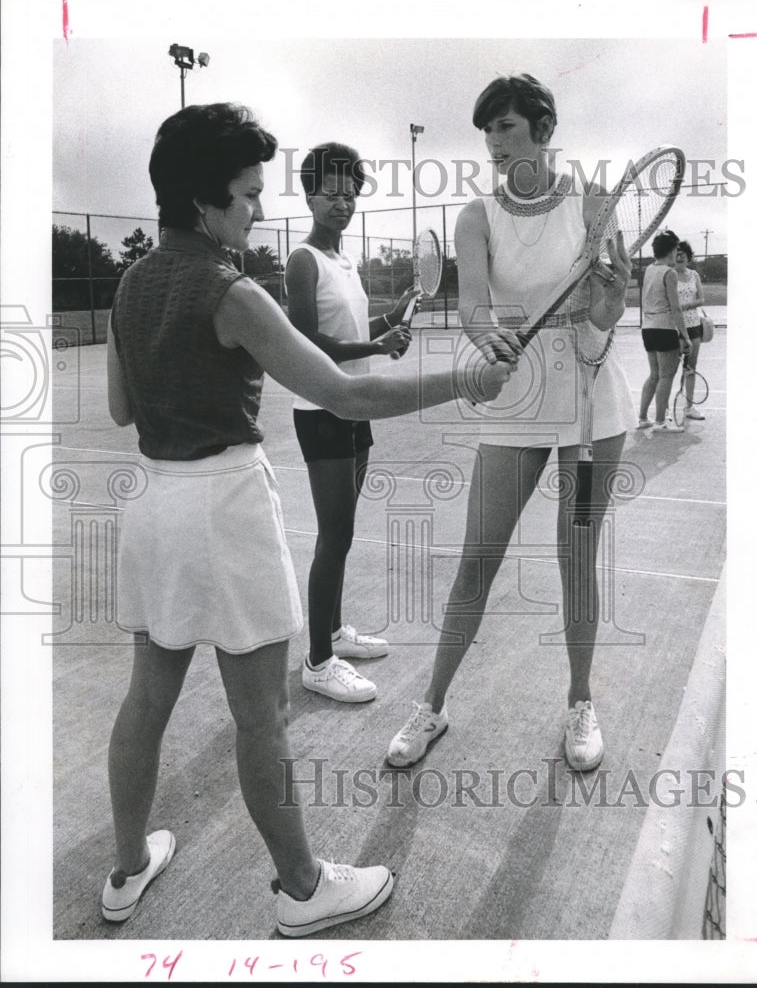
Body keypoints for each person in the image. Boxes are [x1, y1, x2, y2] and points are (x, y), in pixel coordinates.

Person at [102, 103, 515, 936]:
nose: (257, 209)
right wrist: (461, 382)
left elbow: (118, 407)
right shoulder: (234, 289)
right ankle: (302, 889)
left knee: (146, 700)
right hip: (223, 506)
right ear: (204, 203)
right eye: (248, 194)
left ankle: (126, 868)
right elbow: (345, 393)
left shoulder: (130, 282)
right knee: (263, 715)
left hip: (149, 504)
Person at [385, 73, 635, 774]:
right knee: (477, 560)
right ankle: (431, 704)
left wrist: (611, 303)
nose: (495, 142)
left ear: (543, 129)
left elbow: (604, 313)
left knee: (576, 558)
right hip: (517, 402)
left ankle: (580, 703)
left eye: (508, 127)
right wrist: (487, 335)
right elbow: (471, 307)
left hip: (593, 403)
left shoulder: (591, 201)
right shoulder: (476, 216)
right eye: (488, 130)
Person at [286, 143, 414, 704]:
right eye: (332, 193)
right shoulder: (303, 260)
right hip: (322, 410)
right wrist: (376, 343)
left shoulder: (345, 261)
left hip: (356, 407)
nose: (343, 202)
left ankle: (335, 632)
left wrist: (394, 316)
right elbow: (307, 341)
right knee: (334, 535)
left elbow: (357, 326)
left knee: (344, 531)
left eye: (351, 193)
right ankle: (317, 661)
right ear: (310, 195)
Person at [637, 230, 693, 432]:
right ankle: (660, 422)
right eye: (675, 249)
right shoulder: (669, 273)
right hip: (663, 327)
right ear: (670, 251)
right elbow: (676, 308)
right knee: (666, 376)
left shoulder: (649, 269)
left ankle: (643, 418)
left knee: (654, 375)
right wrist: (685, 337)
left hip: (648, 329)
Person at [674, 239, 706, 420]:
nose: (679, 257)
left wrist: (684, 306)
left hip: (694, 326)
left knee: (691, 367)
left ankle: (689, 407)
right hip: (674, 327)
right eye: (676, 254)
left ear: (688, 258)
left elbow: (701, 300)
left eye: (682, 255)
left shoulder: (694, 275)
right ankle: (667, 410)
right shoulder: (669, 275)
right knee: (670, 369)